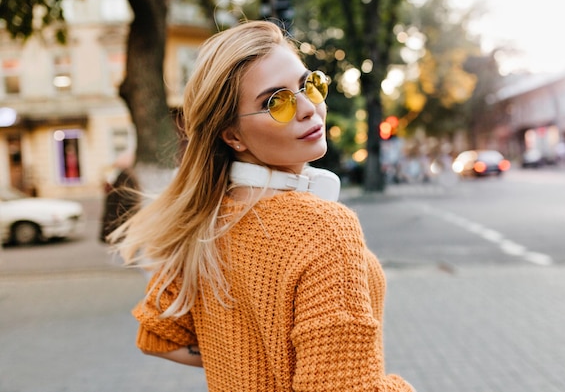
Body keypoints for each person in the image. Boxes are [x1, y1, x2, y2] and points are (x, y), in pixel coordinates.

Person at [110, 20, 414, 392]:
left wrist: (244, 359)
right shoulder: (323, 228)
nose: (307, 108)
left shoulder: (210, 219)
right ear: (232, 135)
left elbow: (161, 338)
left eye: (308, 85)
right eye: (277, 102)